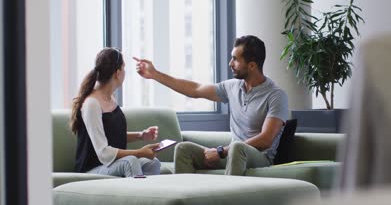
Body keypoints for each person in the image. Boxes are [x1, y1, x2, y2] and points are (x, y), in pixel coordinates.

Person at [133, 35, 288, 175]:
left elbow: (266, 140)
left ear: (252, 65)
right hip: (231, 153)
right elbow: (195, 90)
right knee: (184, 149)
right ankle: (188, 203)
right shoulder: (232, 87)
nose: (230, 63)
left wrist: (221, 151)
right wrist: (155, 74)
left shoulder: (275, 95)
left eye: (235, 59)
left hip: (259, 158)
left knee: (237, 147)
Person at [70, 47, 162, 177]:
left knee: (153, 163)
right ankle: (139, 197)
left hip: (110, 165)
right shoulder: (92, 104)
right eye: (124, 67)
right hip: (92, 169)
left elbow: (112, 135)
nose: (125, 72)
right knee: (130, 162)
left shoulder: (111, 98)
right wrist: (139, 152)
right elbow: (104, 152)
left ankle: (151, 196)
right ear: (117, 73)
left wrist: (141, 135)